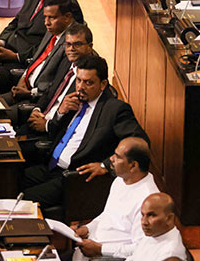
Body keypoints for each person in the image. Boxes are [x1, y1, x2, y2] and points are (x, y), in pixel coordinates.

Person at [21, 55, 148, 210]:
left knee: (24, 199)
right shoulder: (74, 101)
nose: (81, 87)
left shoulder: (115, 109)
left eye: (88, 83)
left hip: (74, 177)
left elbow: (140, 142)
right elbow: (54, 135)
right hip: (50, 167)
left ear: (103, 84)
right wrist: (60, 113)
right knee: (8, 181)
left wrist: (106, 165)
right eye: (78, 80)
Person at [72, 137, 159, 261]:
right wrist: (87, 228)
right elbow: (108, 215)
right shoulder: (120, 180)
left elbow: (142, 248)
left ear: (133, 165)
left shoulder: (148, 200)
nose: (111, 159)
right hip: (90, 249)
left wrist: (101, 249)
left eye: (118, 157)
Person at [24, 22, 96, 134]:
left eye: (77, 44)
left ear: (89, 47)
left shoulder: (89, 77)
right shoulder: (67, 62)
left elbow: (73, 120)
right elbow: (50, 90)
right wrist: (37, 109)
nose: (71, 49)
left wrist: (47, 125)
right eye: (68, 44)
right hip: (41, 118)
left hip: (53, 133)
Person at [3, 0, 76, 104]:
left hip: (37, 100)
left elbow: (57, 85)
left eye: (52, 17)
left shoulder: (71, 44)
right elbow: (37, 59)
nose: (46, 22)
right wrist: (23, 77)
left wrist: (30, 92)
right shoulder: (52, 30)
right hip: (25, 87)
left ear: (67, 17)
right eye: (45, 17)